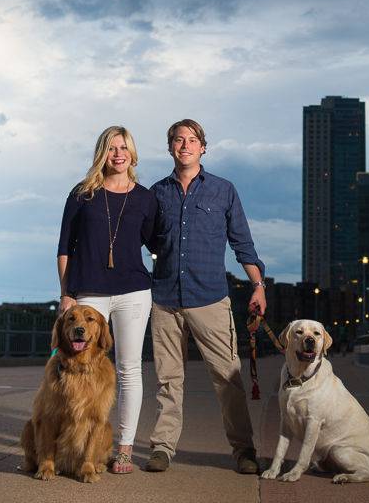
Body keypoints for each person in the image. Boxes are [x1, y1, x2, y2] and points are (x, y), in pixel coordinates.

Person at [145, 119, 266, 474]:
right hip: (165, 299)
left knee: (228, 379)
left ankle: (244, 451)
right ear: (170, 147)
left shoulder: (223, 190)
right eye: (178, 140)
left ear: (203, 148)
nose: (185, 145)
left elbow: (243, 243)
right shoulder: (156, 193)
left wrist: (258, 286)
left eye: (192, 140)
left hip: (211, 300)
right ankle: (163, 448)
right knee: (169, 380)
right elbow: (152, 241)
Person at [57, 126, 157, 474]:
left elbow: (155, 242)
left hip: (133, 292)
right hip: (87, 293)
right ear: (103, 152)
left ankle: (125, 449)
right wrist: (66, 294)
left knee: (129, 368)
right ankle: (79, 443)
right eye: (112, 147)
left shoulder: (146, 198)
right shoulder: (82, 194)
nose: (119, 154)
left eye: (124, 147)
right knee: (81, 368)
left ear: (132, 153)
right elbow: (64, 247)